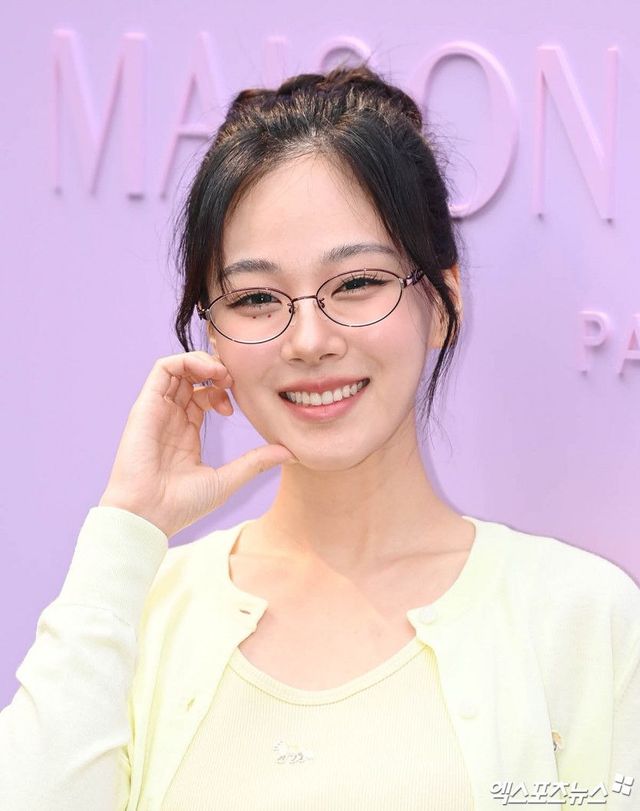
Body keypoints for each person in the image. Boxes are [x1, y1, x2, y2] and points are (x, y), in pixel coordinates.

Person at [1, 63, 638, 811]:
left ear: (441, 301)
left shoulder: (579, 619)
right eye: (257, 298)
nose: (308, 340)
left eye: (358, 283)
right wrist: (125, 528)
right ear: (212, 334)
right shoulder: (141, 612)